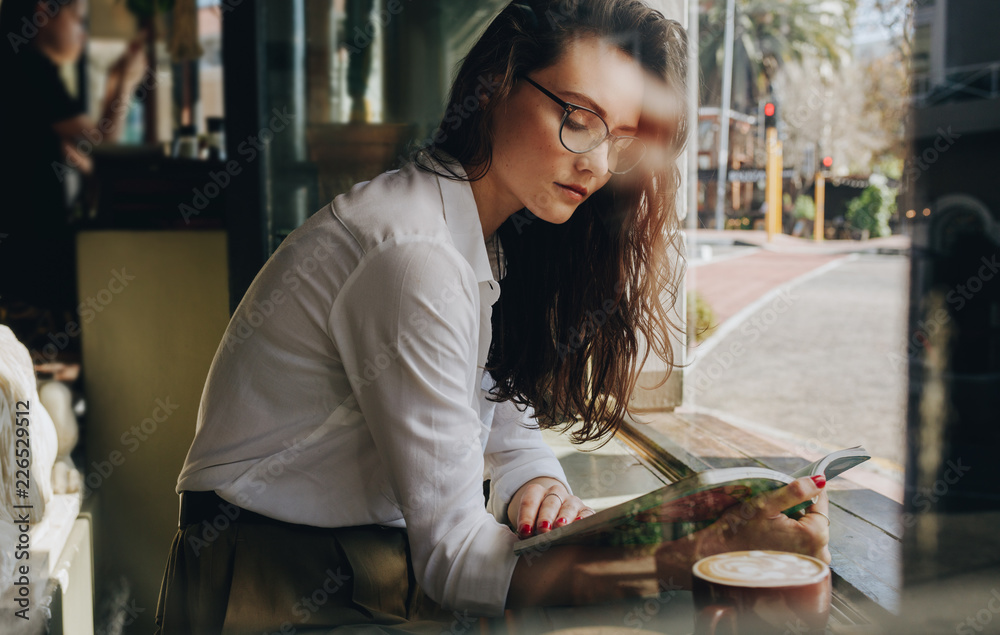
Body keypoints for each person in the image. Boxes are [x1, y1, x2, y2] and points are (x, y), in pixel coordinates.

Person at [154, 0, 831, 632]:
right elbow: (457, 560)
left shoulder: (480, 239)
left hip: (350, 566)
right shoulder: (414, 256)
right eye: (578, 116)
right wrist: (689, 553)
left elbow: (504, 426)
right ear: (498, 84)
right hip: (273, 579)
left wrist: (537, 483)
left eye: (619, 139)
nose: (596, 163)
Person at [0, 0, 146, 367]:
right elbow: (103, 143)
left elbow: (84, 155)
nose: (83, 33)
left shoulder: (15, 68)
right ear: (43, 12)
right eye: (78, 20)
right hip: (30, 261)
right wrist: (125, 82)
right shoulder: (30, 67)